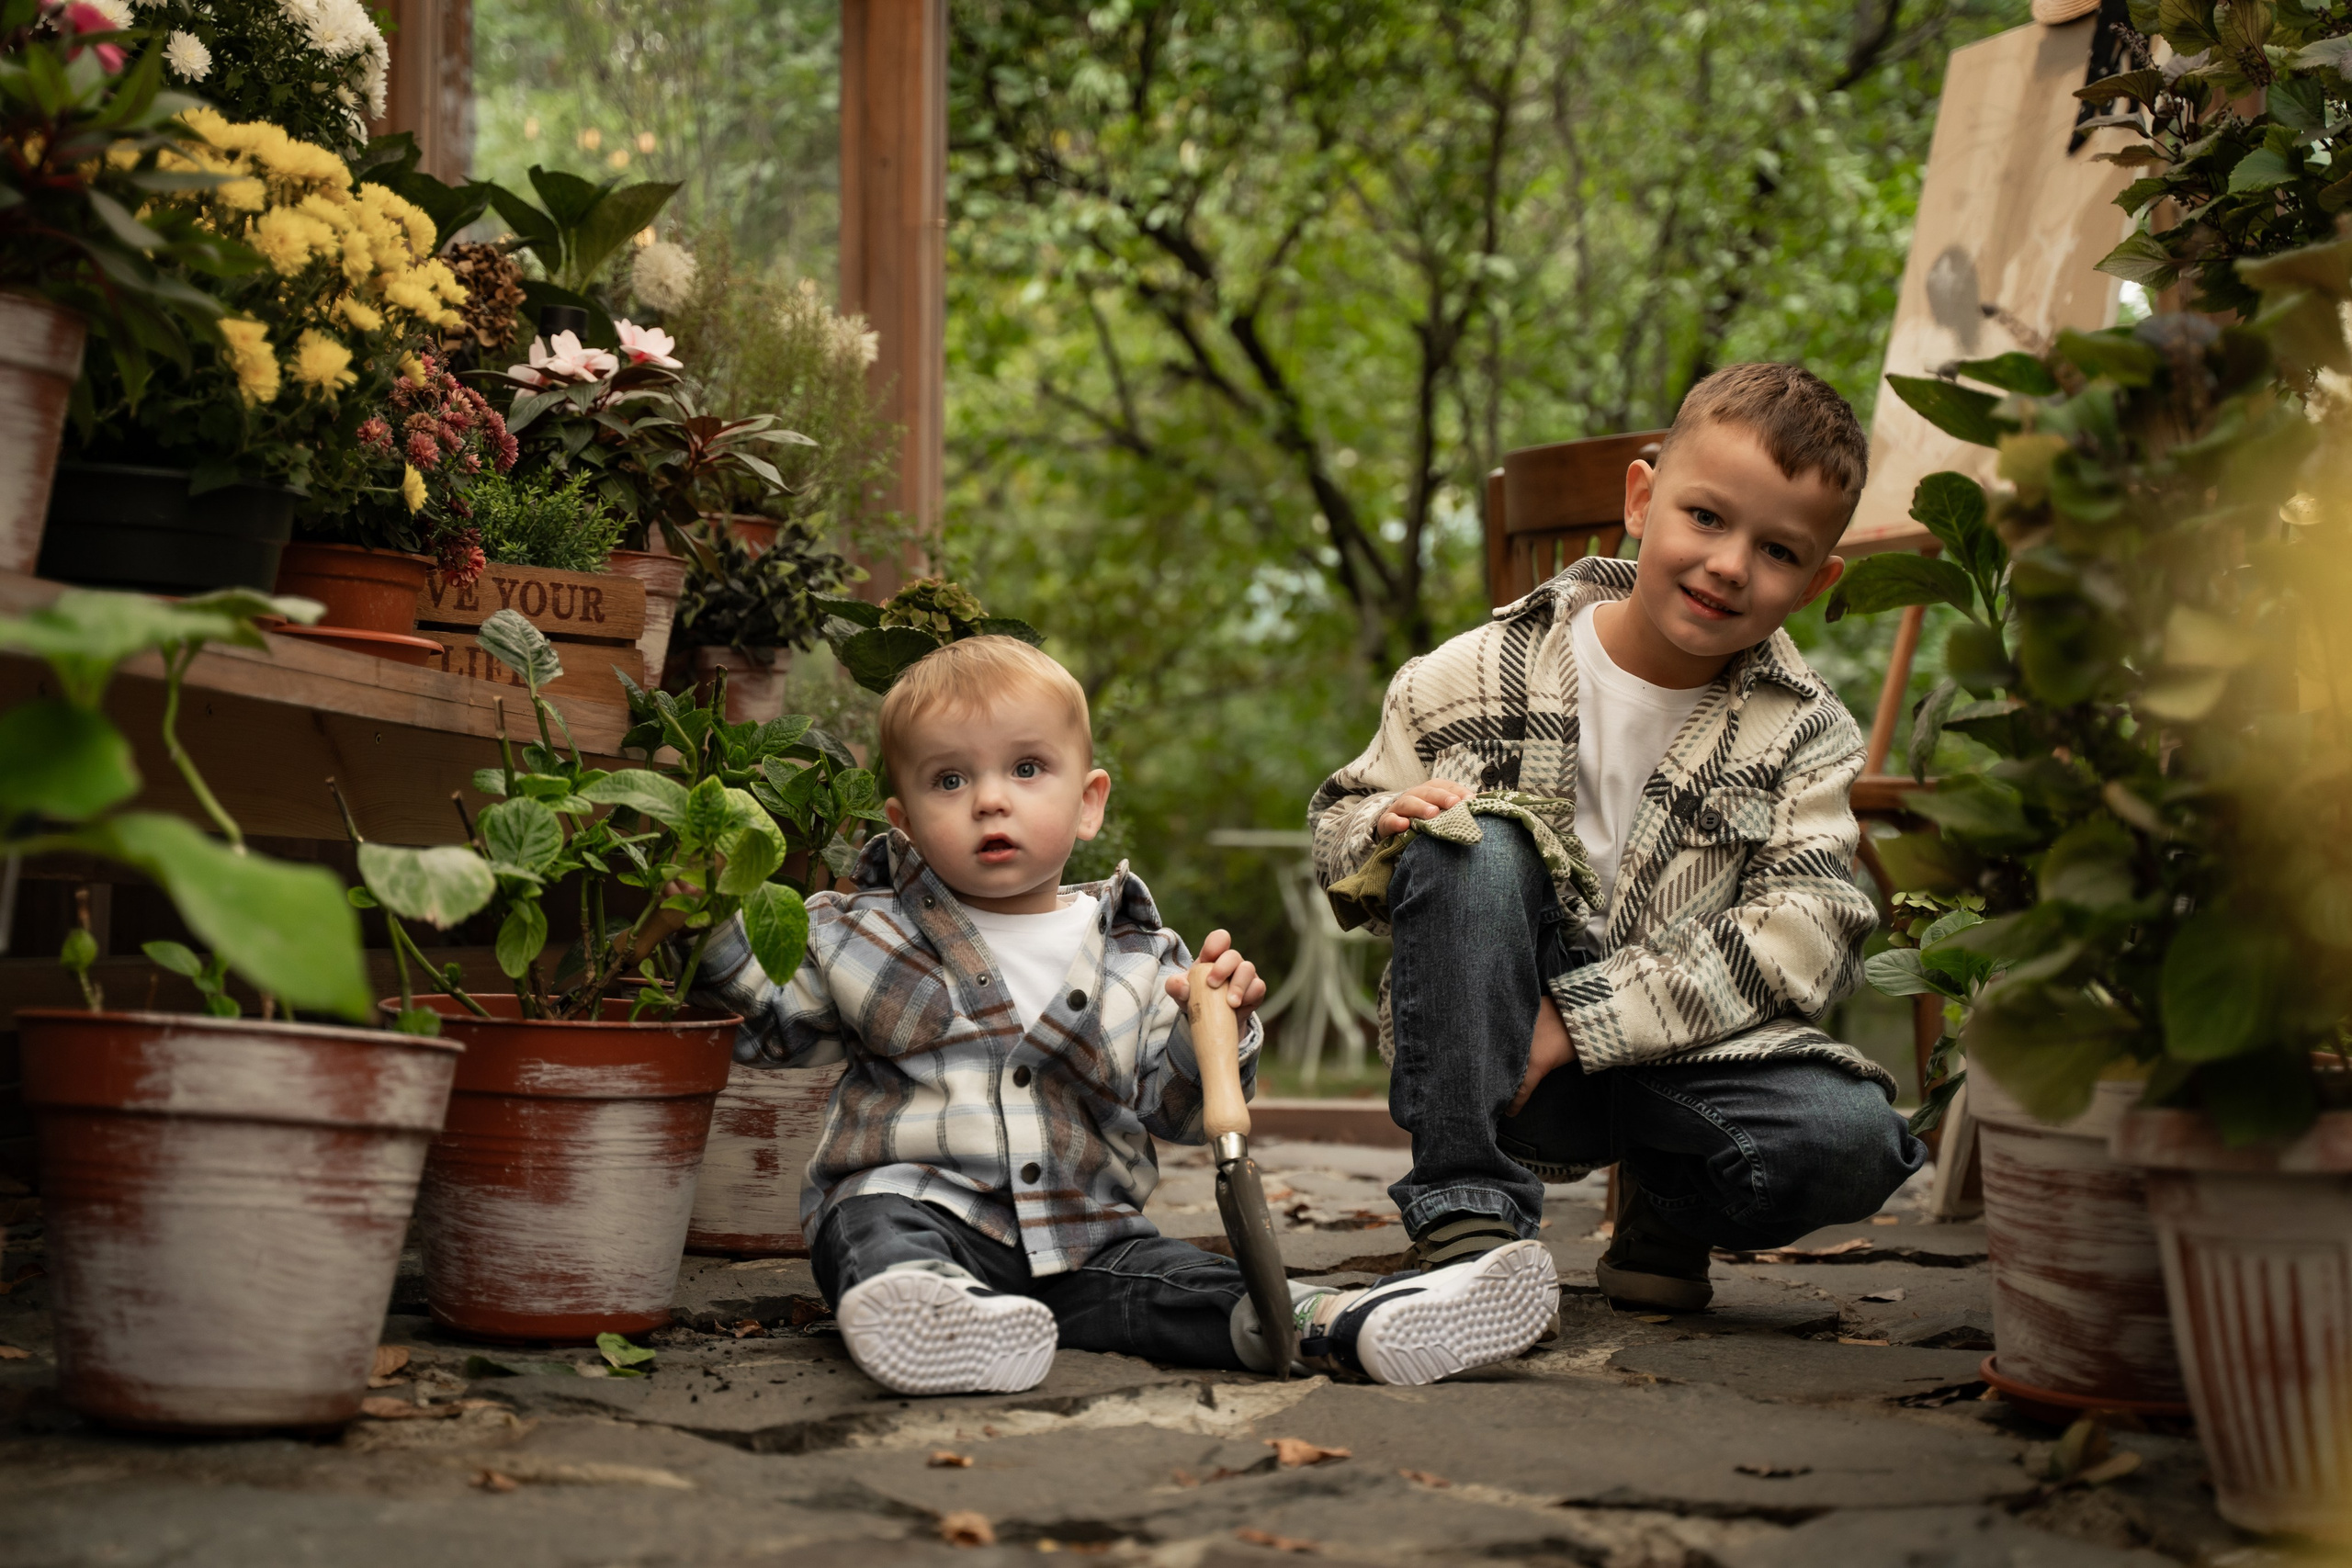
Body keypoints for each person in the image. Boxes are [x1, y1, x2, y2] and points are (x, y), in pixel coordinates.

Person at [691, 636, 1561, 1394]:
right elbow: (763, 1017)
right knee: (867, 1225)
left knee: (1181, 1281)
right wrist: (699, 899)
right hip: (920, 1198)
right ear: (906, 821)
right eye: (949, 779)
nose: (990, 799)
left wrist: (1208, 1032)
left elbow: (1181, 1112)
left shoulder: (1144, 956)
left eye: (1026, 769)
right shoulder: (862, 931)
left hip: (1087, 1234)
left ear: (1089, 800)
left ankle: (1341, 1320)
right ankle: (938, 1312)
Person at [1309, 363, 1928, 1314]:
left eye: (1777, 550)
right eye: (1708, 518)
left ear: (1815, 580)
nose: (1729, 564)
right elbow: (1341, 816)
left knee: (1854, 1139)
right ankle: (1466, 1220)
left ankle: (1673, 1204)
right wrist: (1377, 830)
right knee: (1470, 841)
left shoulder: (1805, 733)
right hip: (1499, 1057)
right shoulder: (1465, 674)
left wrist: (1589, 1019)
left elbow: (1809, 930)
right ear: (1642, 499)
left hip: (1687, 1066)